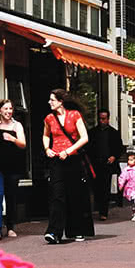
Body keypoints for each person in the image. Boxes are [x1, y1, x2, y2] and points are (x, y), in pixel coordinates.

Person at [42, 89, 93, 243]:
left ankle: (77, 230)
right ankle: (54, 232)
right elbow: (45, 135)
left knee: (74, 194)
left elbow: (84, 137)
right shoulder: (49, 118)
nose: (49, 102)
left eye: (52, 100)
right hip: (56, 160)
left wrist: (69, 151)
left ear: (60, 101)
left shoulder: (74, 115)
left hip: (73, 160)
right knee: (57, 195)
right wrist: (47, 149)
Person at [0, 99, 27, 240]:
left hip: (13, 166)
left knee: (11, 196)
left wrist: (12, 139)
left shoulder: (17, 125)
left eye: (10, 109)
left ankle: (10, 227)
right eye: (6, 109)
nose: (9, 112)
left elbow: (23, 144)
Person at [88, 109, 124, 220]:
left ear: (108, 119)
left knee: (105, 187)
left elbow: (120, 147)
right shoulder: (93, 132)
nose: (102, 121)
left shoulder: (114, 133)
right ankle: (98, 208)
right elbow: (88, 148)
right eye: (100, 118)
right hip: (95, 164)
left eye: (104, 119)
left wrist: (114, 156)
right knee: (96, 187)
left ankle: (103, 212)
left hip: (107, 164)